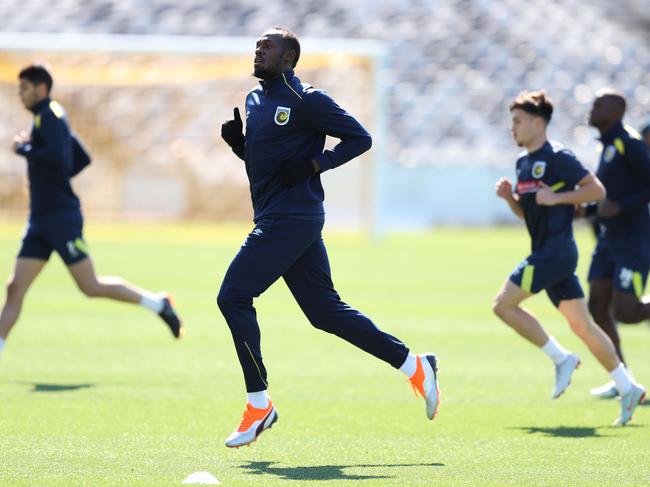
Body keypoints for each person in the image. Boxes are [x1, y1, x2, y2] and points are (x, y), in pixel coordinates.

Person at [218, 27, 439, 448]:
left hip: (291, 218)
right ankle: (415, 365)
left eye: (269, 47)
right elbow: (270, 162)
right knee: (324, 312)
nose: (259, 51)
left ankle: (259, 404)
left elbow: (360, 138)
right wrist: (239, 147)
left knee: (232, 296)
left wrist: (318, 164)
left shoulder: (308, 100)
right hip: (280, 216)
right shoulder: (254, 100)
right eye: (257, 45)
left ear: (289, 59)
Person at [0, 64, 183, 357]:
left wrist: (25, 150)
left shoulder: (50, 116)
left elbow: (60, 158)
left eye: (24, 88)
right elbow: (81, 157)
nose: (19, 93)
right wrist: (52, 178)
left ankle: (158, 303)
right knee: (14, 288)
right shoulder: (45, 117)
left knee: (90, 286)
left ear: (41, 89)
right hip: (40, 219)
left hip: (60, 218)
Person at [492, 90, 645, 426]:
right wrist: (510, 200)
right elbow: (528, 212)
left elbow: (596, 190)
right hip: (547, 251)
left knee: (503, 305)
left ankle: (560, 358)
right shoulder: (523, 163)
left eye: (517, 121)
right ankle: (627, 386)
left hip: (555, 253)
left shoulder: (558, 156)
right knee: (583, 324)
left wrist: (558, 196)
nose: (512, 128)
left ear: (537, 122)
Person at [583, 91, 650, 398]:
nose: (592, 109)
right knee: (597, 304)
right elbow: (609, 197)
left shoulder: (629, 142)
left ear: (617, 110)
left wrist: (622, 207)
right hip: (609, 240)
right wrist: (587, 210)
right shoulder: (609, 145)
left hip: (633, 240)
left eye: (599, 105)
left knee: (627, 311)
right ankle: (625, 383)